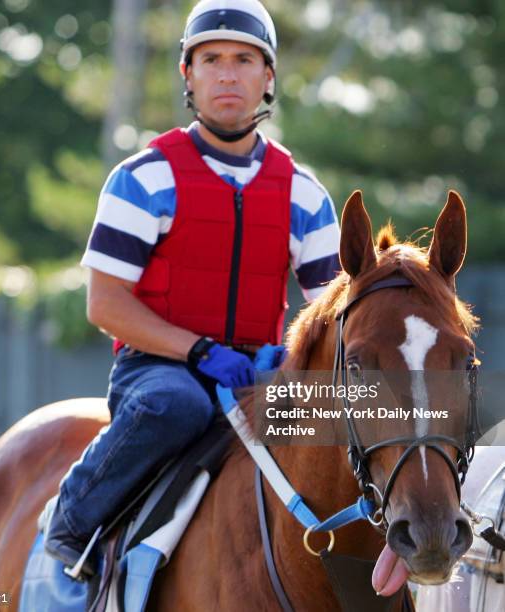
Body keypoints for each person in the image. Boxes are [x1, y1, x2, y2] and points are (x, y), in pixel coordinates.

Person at [44, 0, 341, 575]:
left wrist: (291, 362)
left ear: (268, 76)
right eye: (211, 59)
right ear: (188, 74)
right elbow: (105, 305)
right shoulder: (142, 177)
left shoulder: (305, 194)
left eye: (244, 60)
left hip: (260, 373)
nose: (227, 74)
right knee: (174, 404)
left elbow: (330, 307)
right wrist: (201, 352)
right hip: (159, 370)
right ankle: (74, 518)